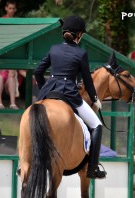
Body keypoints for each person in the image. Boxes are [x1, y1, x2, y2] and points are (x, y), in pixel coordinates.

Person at [34, 15, 106, 179]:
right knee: (97, 125)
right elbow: (88, 81)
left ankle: (22, 164)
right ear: (79, 34)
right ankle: (93, 168)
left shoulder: (53, 49)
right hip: (69, 94)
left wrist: (44, 88)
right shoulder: (81, 53)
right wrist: (95, 99)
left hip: (49, 90)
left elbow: (38, 71)